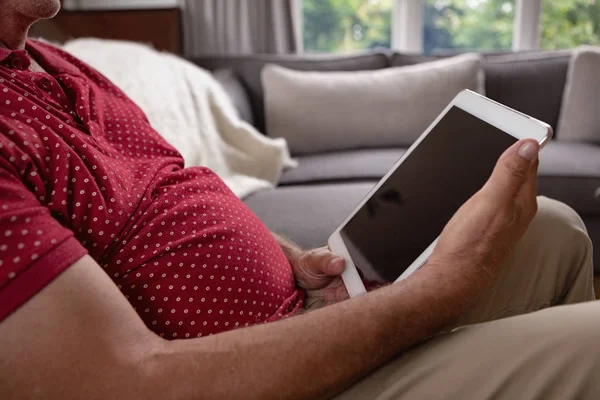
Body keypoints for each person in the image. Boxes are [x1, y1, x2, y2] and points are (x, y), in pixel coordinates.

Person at [0, 1, 597, 399]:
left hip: (298, 318)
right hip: (264, 383)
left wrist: (282, 259)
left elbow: (154, 203)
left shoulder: (54, 61)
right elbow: (120, 384)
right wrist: (440, 289)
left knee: (554, 226)